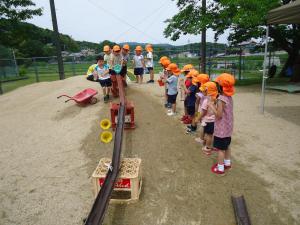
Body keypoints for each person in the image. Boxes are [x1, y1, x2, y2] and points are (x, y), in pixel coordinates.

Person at [209, 73, 235, 175]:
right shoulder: (229, 97)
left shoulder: (221, 99)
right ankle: (227, 163)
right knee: (227, 146)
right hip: (228, 127)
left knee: (220, 150)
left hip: (221, 129)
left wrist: (211, 106)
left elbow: (219, 115)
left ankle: (220, 168)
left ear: (220, 87)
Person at [198, 81, 218, 154]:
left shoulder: (206, 101)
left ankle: (208, 148)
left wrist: (198, 118)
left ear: (208, 91)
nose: (202, 91)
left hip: (208, 121)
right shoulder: (216, 99)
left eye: (203, 90)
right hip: (214, 120)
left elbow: (203, 112)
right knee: (210, 134)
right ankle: (209, 145)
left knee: (208, 135)